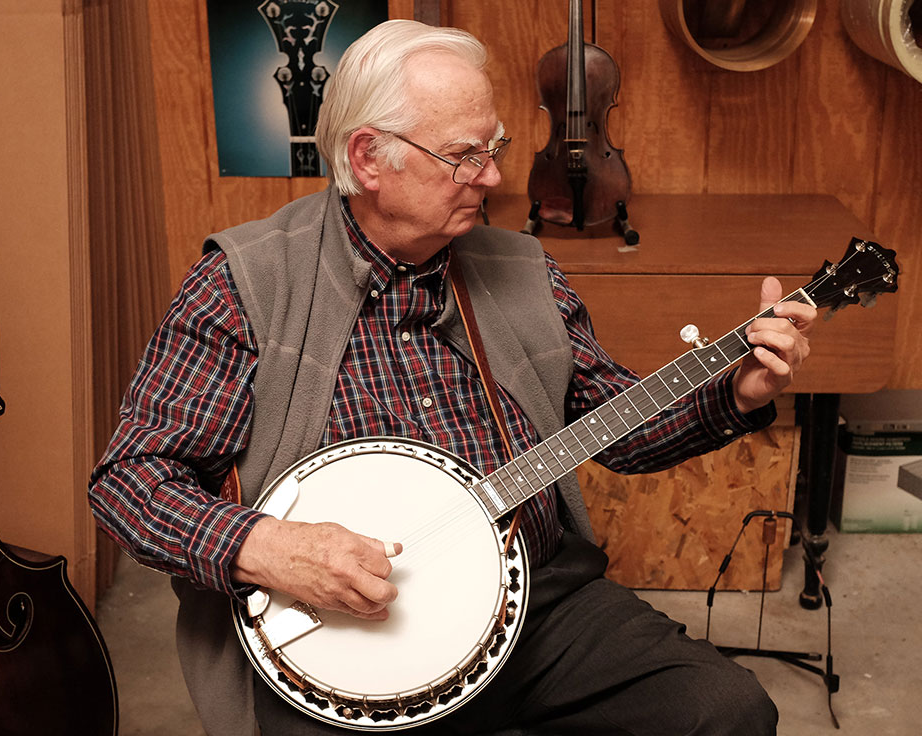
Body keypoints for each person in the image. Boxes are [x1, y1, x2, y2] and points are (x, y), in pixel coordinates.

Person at [89, 19, 815, 736]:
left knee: (725, 711)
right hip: (345, 642)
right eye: (464, 154)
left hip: (533, 605)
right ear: (369, 158)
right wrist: (273, 549)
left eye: (494, 147)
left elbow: (615, 426)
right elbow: (129, 482)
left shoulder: (523, 271)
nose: (493, 176)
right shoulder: (244, 284)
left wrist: (737, 391)